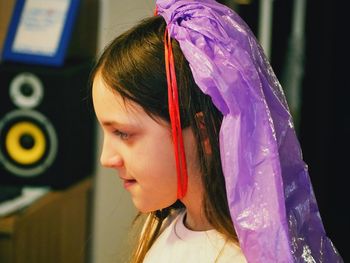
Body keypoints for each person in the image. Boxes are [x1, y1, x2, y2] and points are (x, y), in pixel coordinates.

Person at [91, 0, 343, 262]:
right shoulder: (161, 225)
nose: (106, 158)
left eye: (123, 133)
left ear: (202, 132)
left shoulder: (239, 256)